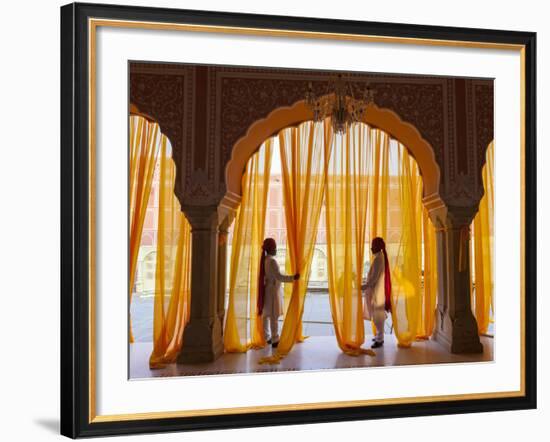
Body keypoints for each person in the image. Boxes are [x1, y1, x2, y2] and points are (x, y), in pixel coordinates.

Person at [257, 238, 299, 348]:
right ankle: (275, 339)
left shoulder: (265, 259)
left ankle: (267, 337)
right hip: (272, 292)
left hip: (267, 289)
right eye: (275, 248)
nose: (276, 250)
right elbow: (279, 276)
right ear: (271, 249)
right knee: (273, 316)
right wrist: (293, 278)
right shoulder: (272, 261)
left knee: (266, 315)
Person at [362, 237, 392, 348]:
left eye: (373, 246)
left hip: (377, 292)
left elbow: (374, 277)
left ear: (377, 247)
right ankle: (379, 336)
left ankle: (380, 339)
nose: (371, 248)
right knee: (377, 315)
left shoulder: (379, 259)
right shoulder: (379, 258)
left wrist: (364, 286)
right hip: (377, 291)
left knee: (378, 316)